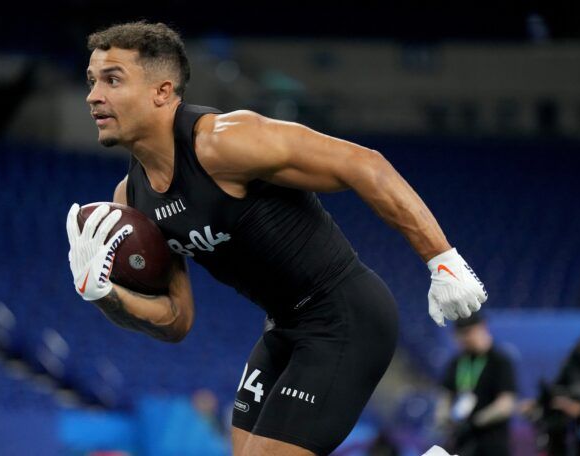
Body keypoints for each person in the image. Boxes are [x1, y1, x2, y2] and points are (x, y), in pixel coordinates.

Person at [65, 21, 487, 456]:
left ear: (162, 91)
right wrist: (103, 292)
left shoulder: (224, 142)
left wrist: (443, 260)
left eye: (112, 79)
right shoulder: (131, 199)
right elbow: (177, 320)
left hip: (346, 317)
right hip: (284, 329)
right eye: (92, 81)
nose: (94, 95)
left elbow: (365, 164)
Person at [434, 313, 516, 456]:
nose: (465, 339)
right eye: (460, 335)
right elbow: (445, 398)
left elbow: (506, 405)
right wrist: (444, 418)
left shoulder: (499, 361)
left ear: (482, 328)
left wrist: (475, 422)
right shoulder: (457, 362)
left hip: (491, 445)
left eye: (468, 333)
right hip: (462, 444)